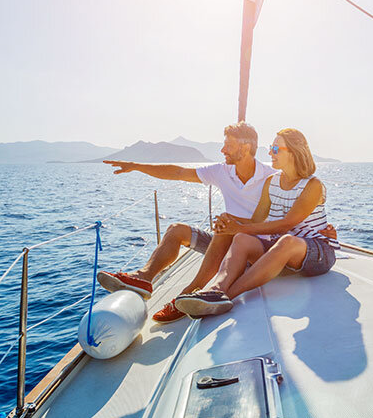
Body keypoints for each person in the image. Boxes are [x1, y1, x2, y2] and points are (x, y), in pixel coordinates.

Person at [97, 122, 276, 323]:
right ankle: (144, 278)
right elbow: (178, 173)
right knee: (177, 230)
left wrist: (234, 224)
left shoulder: (271, 177)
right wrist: (137, 167)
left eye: (228, 145)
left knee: (225, 228)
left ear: (246, 147)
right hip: (224, 241)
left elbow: (280, 220)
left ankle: (191, 291)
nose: (222, 150)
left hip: (252, 251)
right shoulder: (223, 171)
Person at [174, 128, 338, 317]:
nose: (269, 153)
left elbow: (287, 224)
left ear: (293, 152)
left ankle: (225, 296)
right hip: (282, 252)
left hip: (317, 253)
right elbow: (257, 221)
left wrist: (239, 226)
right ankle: (216, 288)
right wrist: (231, 223)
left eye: (275, 149)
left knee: (286, 240)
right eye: (270, 148)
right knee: (242, 238)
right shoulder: (271, 181)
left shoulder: (313, 185)